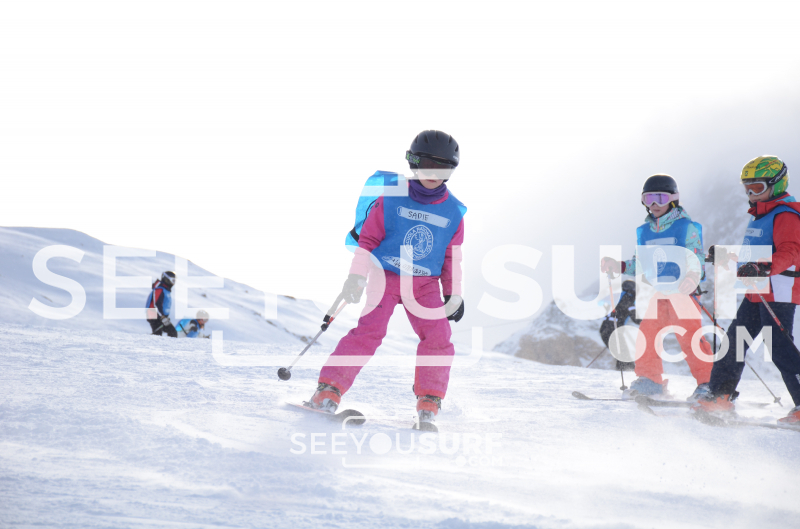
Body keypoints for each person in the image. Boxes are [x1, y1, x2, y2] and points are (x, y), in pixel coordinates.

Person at [305, 130, 466, 430]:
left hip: (425, 283)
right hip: (386, 274)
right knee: (371, 330)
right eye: (428, 164)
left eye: (443, 168)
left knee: (438, 337)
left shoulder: (453, 212)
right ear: (413, 162)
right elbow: (367, 241)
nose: (434, 174)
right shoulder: (391, 198)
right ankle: (328, 390)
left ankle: (429, 402)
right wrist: (356, 276)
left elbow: (451, 256)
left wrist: (453, 293)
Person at [693, 156, 800, 425]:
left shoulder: (786, 214)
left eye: (757, 187)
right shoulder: (760, 214)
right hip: (757, 290)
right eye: (747, 188)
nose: (751, 194)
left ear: (777, 184)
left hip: (779, 290)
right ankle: (719, 396)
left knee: (779, 347)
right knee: (734, 341)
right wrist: (726, 256)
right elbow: (752, 255)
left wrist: (764, 267)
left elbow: (790, 252)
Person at [601, 174, 713, 400]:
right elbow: (640, 263)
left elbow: (697, 259)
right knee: (648, 334)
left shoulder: (686, 227)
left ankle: (708, 384)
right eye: (648, 198)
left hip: (684, 294)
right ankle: (650, 380)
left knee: (689, 337)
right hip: (660, 293)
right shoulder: (645, 231)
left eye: (660, 198)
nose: (654, 204)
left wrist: (692, 277)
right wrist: (619, 265)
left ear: (673, 199)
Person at [146, 271, 177, 337]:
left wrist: (164, 317)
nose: (173, 283)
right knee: (158, 334)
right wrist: (162, 317)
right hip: (154, 316)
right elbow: (156, 304)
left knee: (172, 332)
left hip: (161, 317)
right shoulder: (159, 289)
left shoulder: (166, 290)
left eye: (174, 281)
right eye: (172, 280)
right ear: (167, 279)